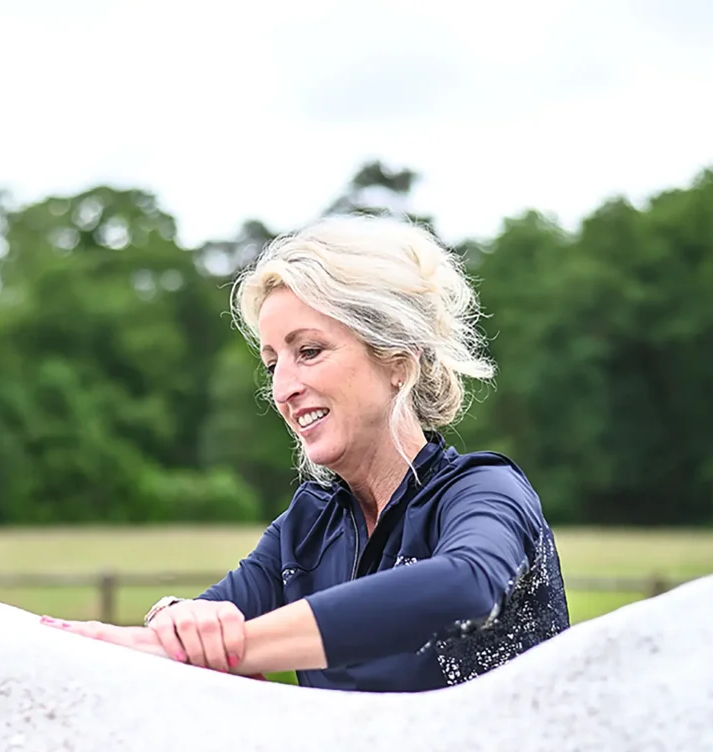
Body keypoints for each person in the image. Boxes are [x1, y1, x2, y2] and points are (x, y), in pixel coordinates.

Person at [42, 216, 570, 691]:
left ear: (397, 362)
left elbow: (465, 585)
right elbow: (206, 616)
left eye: (309, 352)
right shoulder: (306, 527)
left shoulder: (483, 489)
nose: (283, 388)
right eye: (273, 363)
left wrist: (235, 648)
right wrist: (175, 619)